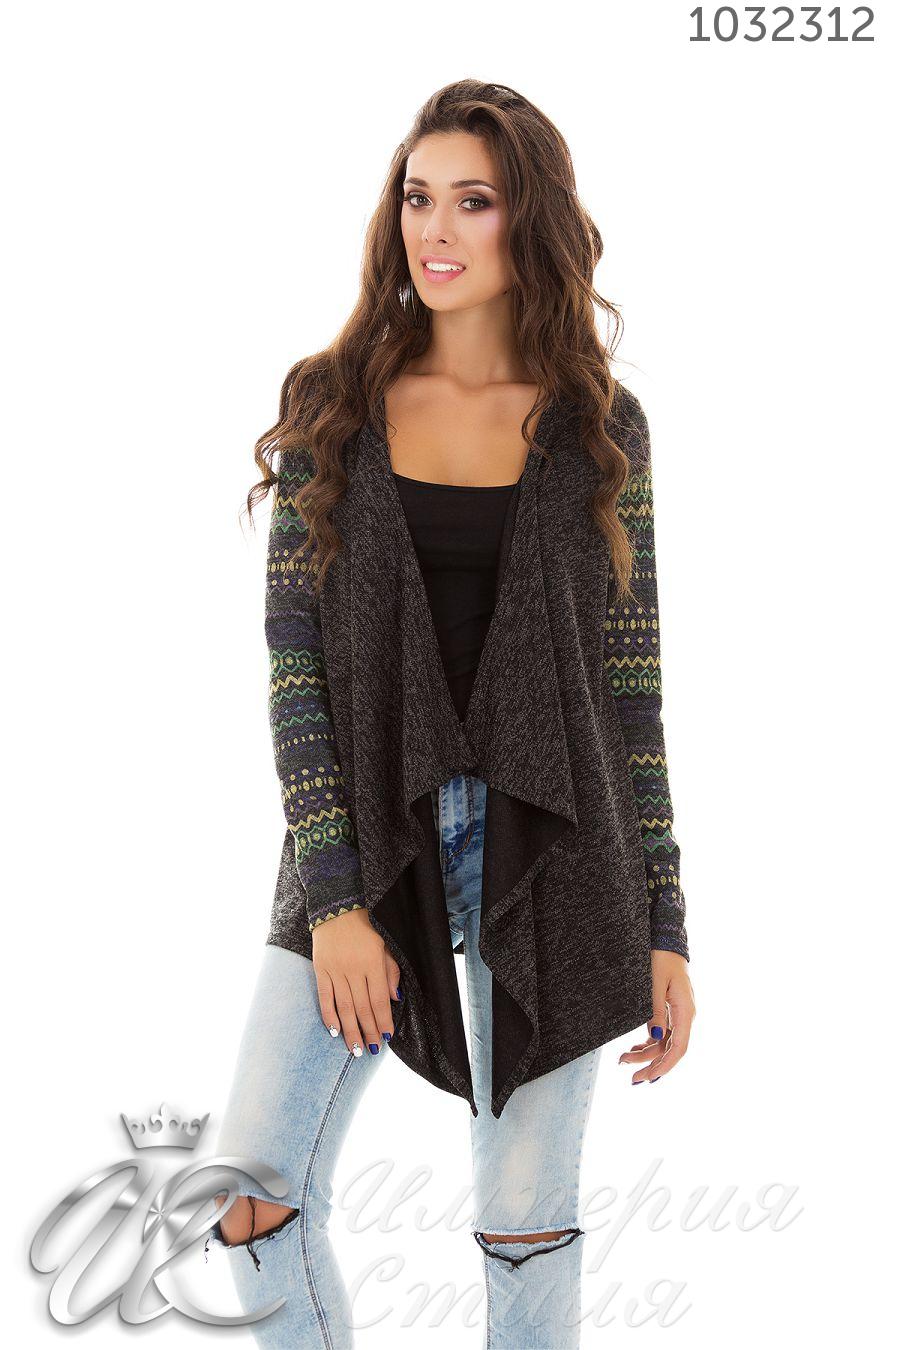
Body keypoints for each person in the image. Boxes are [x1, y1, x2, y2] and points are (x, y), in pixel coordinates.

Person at [207, 78, 696, 1349]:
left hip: (564, 853)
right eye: (418, 197)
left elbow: (630, 690)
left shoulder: (602, 429)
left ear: (529, 219)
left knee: (524, 1224)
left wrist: (667, 922)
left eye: (472, 201)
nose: (435, 227)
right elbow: (296, 674)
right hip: (365, 840)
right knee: (251, 1194)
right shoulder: (332, 404)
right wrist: (335, 905)